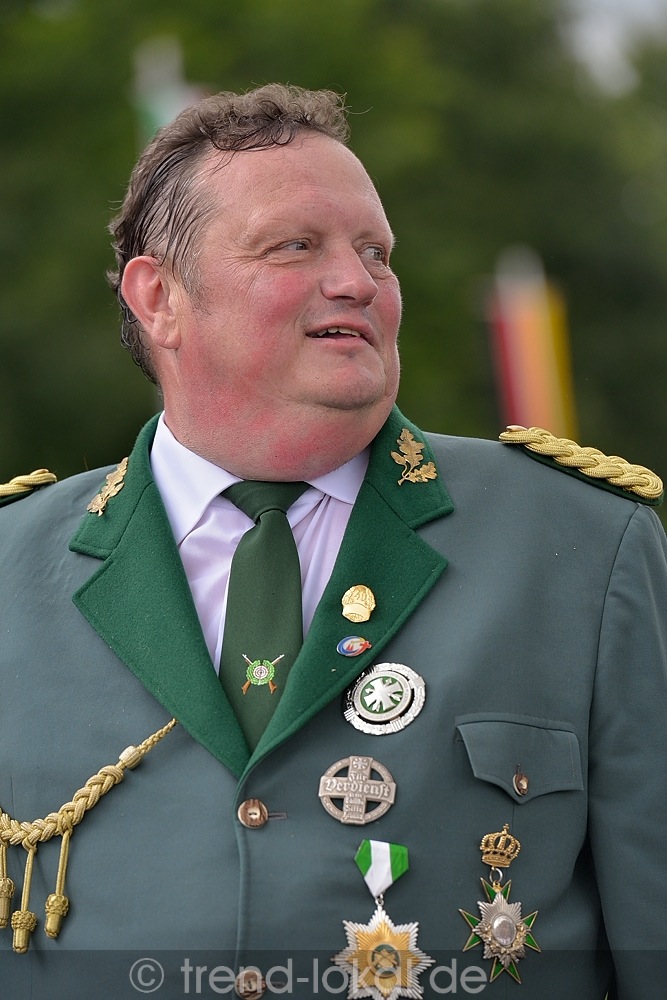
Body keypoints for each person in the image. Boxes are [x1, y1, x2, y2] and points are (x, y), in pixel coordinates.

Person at [0, 83, 665, 1000]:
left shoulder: (584, 547)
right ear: (159, 297)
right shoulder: (13, 567)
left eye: (375, 252)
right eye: (295, 246)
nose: (357, 281)